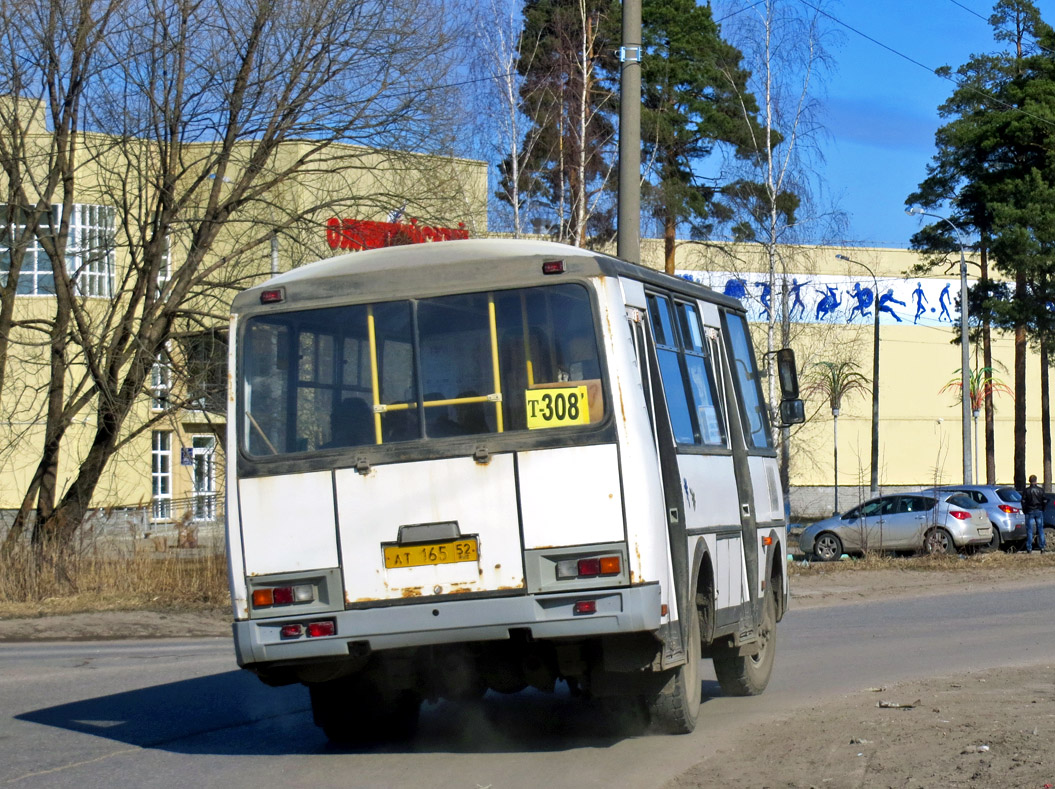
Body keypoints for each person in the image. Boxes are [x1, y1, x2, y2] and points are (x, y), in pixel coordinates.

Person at [1021, 474, 1046, 554]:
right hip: (1039, 510)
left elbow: (1023, 501)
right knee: (1041, 529)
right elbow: (1044, 501)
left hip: (1029, 511)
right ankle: (1042, 547)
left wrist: (1025, 510)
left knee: (1029, 530)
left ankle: (1029, 548)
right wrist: (1042, 509)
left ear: (1029, 481)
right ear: (1036, 481)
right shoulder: (1041, 490)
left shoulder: (1026, 490)